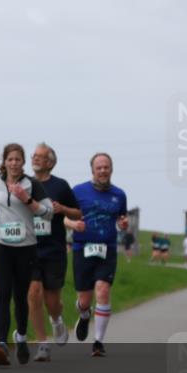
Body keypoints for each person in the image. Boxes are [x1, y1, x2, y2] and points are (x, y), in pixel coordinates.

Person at [0, 144, 54, 365]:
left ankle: (21, 337)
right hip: (0, 244)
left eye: (18, 159)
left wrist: (27, 199)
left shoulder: (32, 184)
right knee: (3, 292)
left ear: (23, 163)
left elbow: (49, 213)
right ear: (4, 162)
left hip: (25, 247)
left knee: (20, 296)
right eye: (10, 159)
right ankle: (2, 344)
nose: (13, 163)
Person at [63, 153, 129, 358]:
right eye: (99, 167)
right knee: (84, 300)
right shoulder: (78, 191)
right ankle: (84, 315)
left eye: (106, 167)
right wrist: (73, 224)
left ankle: (98, 342)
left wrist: (122, 225)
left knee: (102, 290)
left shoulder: (119, 195)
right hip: (82, 248)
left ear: (111, 169)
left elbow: (121, 219)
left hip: (107, 248)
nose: (102, 171)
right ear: (92, 170)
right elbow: (63, 217)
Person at [27, 143, 82, 362]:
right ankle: (42, 344)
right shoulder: (25, 183)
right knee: (33, 294)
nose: (36, 159)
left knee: (52, 301)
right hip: (29, 248)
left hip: (54, 250)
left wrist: (63, 209)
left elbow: (78, 213)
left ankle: (57, 320)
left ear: (51, 162)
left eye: (41, 156)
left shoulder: (60, 185)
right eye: (34, 155)